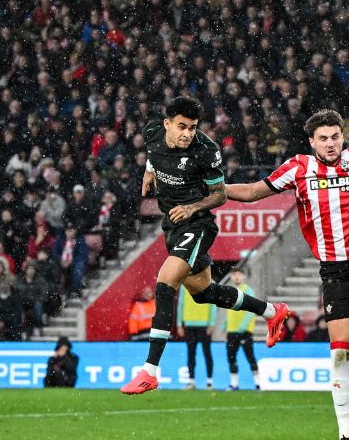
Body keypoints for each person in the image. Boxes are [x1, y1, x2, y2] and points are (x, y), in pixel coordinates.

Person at [225, 109, 349, 440]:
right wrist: (216, 190)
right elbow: (253, 192)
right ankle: (346, 433)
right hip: (337, 272)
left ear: (343, 137)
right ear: (312, 142)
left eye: (335, 136)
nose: (330, 144)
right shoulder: (297, 168)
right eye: (323, 138)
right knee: (341, 353)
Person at [121, 97, 288, 395]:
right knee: (204, 293)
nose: (187, 134)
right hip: (171, 225)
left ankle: (150, 371)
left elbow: (219, 195)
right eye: (182, 127)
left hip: (197, 224)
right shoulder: (152, 132)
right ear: (167, 124)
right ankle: (272, 311)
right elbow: (152, 153)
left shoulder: (206, 150)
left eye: (193, 127)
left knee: (165, 281)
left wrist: (191, 208)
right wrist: (149, 171)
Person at [221, 267, 260, 391]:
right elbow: (230, 310)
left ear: (243, 276)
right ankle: (234, 384)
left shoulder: (248, 291)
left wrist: (243, 325)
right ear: (231, 277)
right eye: (234, 274)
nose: (236, 276)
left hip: (244, 332)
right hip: (232, 331)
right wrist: (225, 323)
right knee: (231, 357)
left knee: (250, 357)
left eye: (239, 274)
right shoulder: (230, 291)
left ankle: (258, 384)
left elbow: (251, 310)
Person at [176, 284, 216, 390]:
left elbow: (213, 303)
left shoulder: (208, 281)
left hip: (204, 324)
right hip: (189, 324)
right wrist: (179, 323)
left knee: (207, 353)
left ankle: (209, 382)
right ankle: (191, 381)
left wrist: (212, 322)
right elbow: (181, 304)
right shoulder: (184, 285)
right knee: (191, 353)